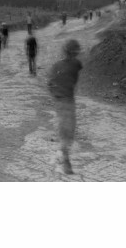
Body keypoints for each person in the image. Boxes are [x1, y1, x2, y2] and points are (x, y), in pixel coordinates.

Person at [47, 39, 82, 174]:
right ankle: (65, 157)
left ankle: (63, 153)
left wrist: (54, 93)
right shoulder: (77, 65)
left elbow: (50, 83)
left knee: (64, 128)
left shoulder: (57, 66)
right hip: (68, 100)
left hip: (60, 100)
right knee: (69, 130)